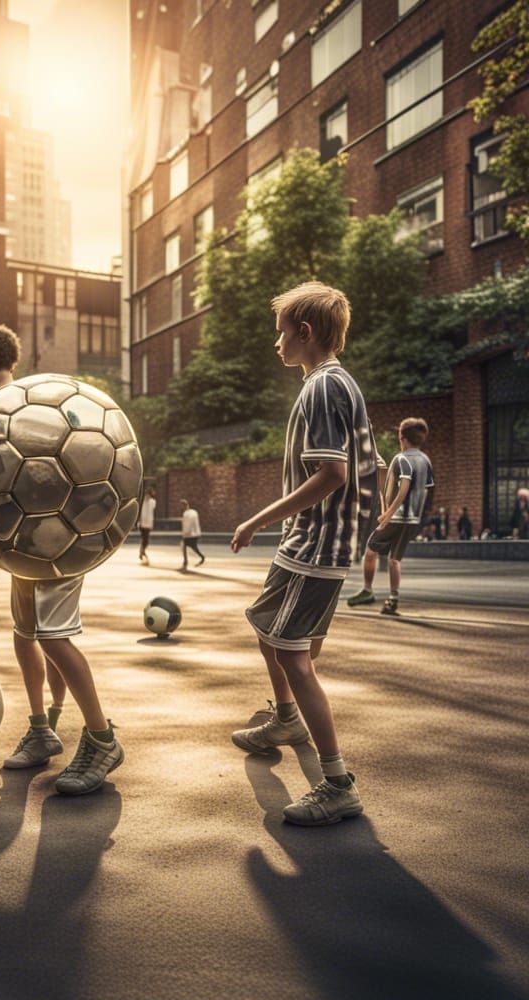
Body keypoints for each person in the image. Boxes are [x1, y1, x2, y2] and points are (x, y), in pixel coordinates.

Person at [230, 281, 378, 826]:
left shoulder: (320, 388)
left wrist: (256, 519)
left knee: (293, 654)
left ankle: (338, 783)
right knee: (271, 630)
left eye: (281, 334)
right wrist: (368, 522)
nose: (277, 344)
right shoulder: (343, 384)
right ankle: (287, 720)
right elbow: (371, 462)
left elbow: (333, 473)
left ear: (305, 332)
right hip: (321, 543)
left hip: (313, 544)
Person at [0, 322, 123, 796]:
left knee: (46, 637)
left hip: (35, 539)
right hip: (55, 534)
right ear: (13, 360)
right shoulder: (41, 401)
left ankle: (101, 737)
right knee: (29, 633)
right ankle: (43, 727)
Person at [346, 418, 434, 616]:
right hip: (413, 519)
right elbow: (428, 491)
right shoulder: (425, 461)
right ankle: (393, 599)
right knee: (395, 559)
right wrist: (422, 517)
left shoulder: (402, 459)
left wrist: (387, 513)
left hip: (396, 517)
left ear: (401, 437)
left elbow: (402, 488)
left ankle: (367, 590)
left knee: (370, 550)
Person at [179, 498, 205, 570]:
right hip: (195, 534)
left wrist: (185, 534)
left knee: (184, 546)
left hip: (189, 534)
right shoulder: (194, 512)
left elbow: (188, 525)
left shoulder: (186, 514)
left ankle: (185, 563)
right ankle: (201, 558)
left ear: (184, 506)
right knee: (192, 547)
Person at [138, 485, 157, 564]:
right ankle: (142, 553)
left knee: (146, 540)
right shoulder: (142, 502)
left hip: (148, 523)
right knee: (144, 539)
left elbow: (151, 512)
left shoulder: (153, 502)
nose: (147, 496)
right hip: (142, 523)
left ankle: (142, 552)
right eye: (147, 494)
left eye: (149, 494)